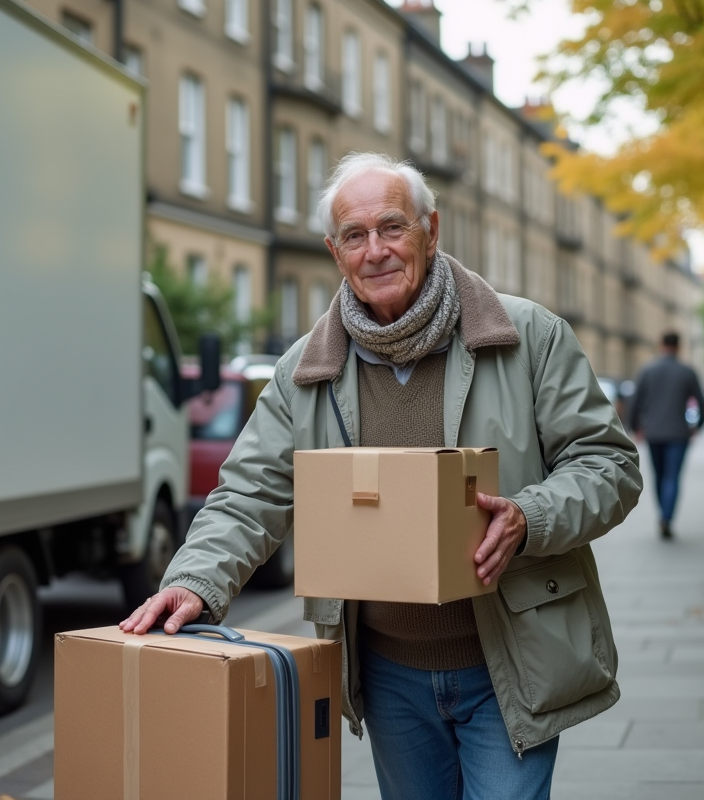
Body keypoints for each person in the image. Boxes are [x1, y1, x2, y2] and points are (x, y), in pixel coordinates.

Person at [120, 153, 642, 800]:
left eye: (392, 228)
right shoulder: (303, 373)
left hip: (511, 657)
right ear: (334, 253)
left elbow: (609, 464)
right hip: (388, 672)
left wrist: (529, 518)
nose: (376, 251)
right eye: (355, 236)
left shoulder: (527, 336)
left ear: (431, 230)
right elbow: (249, 494)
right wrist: (194, 580)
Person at [629, 331, 704, 539]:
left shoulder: (647, 370)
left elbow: (635, 403)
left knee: (659, 476)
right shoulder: (687, 372)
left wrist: (635, 427)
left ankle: (662, 514)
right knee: (672, 477)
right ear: (679, 347)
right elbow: (701, 402)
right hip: (679, 433)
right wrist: (698, 425)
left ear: (660, 344)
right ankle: (667, 517)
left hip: (653, 433)